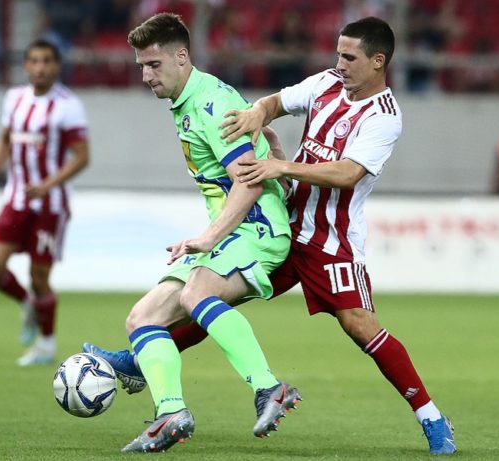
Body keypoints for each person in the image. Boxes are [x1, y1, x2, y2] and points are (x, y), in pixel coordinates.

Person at [93, 16, 457, 456]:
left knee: (360, 327)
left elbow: (348, 173)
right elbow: (275, 103)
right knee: (210, 299)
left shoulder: (385, 117)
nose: (339, 64)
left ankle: (432, 418)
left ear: (378, 61)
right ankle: (145, 360)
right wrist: (255, 115)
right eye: (337, 54)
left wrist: (281, 165)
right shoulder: (325, 84)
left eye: (349, 57)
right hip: (283, 218)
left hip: (329, 238)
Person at [83, 13, 301, 454]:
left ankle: (269, 388)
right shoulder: (190, 102)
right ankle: (171, 413)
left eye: (154, 65)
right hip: (233, 231)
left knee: (196, 294)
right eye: (141, 66)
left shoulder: (212, 103)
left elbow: (249, 180)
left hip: (257, 227)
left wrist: (209, 237)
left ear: (182, 57)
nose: (146, 76)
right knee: (142, 318)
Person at [0, 38, 90, 367]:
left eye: (47, 61)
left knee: (39, 276)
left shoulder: (68, 105)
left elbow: (82, 157)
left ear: (57, 66)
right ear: (26, 65)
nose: (40, 67)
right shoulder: (14, 99)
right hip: (16, 200)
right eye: (34, 61)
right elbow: (4, 141)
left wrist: (47, 184)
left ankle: (46, 345)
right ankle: (28, 305)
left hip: (50, 205)